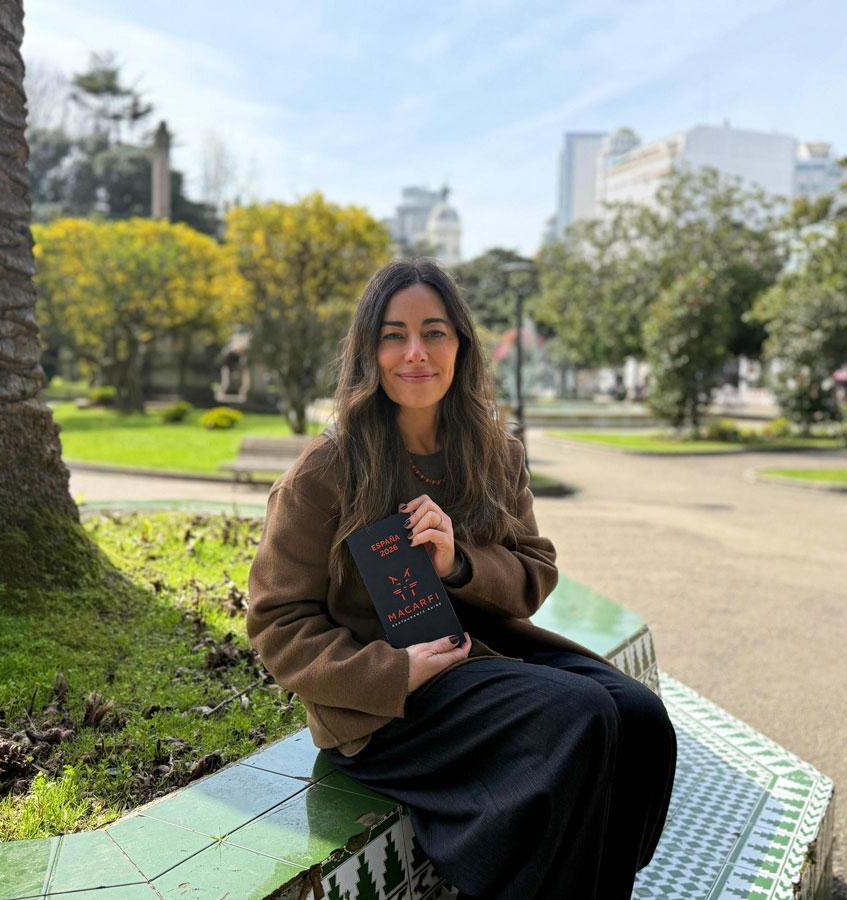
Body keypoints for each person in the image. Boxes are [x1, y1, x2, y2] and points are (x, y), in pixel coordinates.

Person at [246, 258, 677, 900]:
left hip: (488, 658)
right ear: (368, 352)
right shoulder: (325, 472)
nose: (415, 353)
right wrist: (393, 671)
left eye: (434, 332)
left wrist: (458, 564)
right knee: (580, 718)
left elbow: (535, 572)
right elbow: (277, 623)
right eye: (393, 335)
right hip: (386, 703)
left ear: (462, 346)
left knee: (641, 719)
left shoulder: (495, 453)